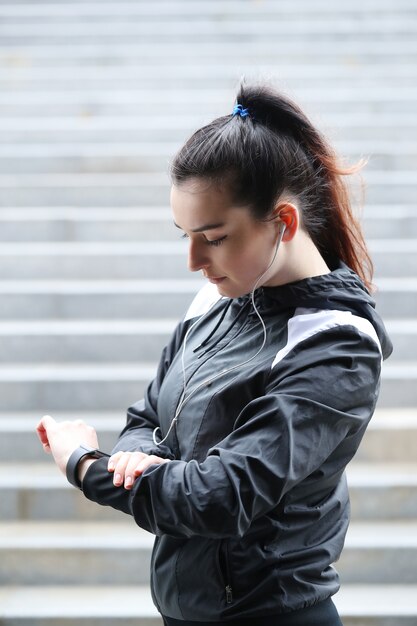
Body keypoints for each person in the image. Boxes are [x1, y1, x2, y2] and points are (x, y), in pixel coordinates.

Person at [37, 83, 392, 626]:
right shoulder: (216, 298)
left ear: (285, 223)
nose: (194, 260)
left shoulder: (335, 346)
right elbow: (150, 417)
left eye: (215, 236)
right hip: (187, 609)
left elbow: (222, 495)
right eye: (185, 234)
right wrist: (135, 457)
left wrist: (87, 466)